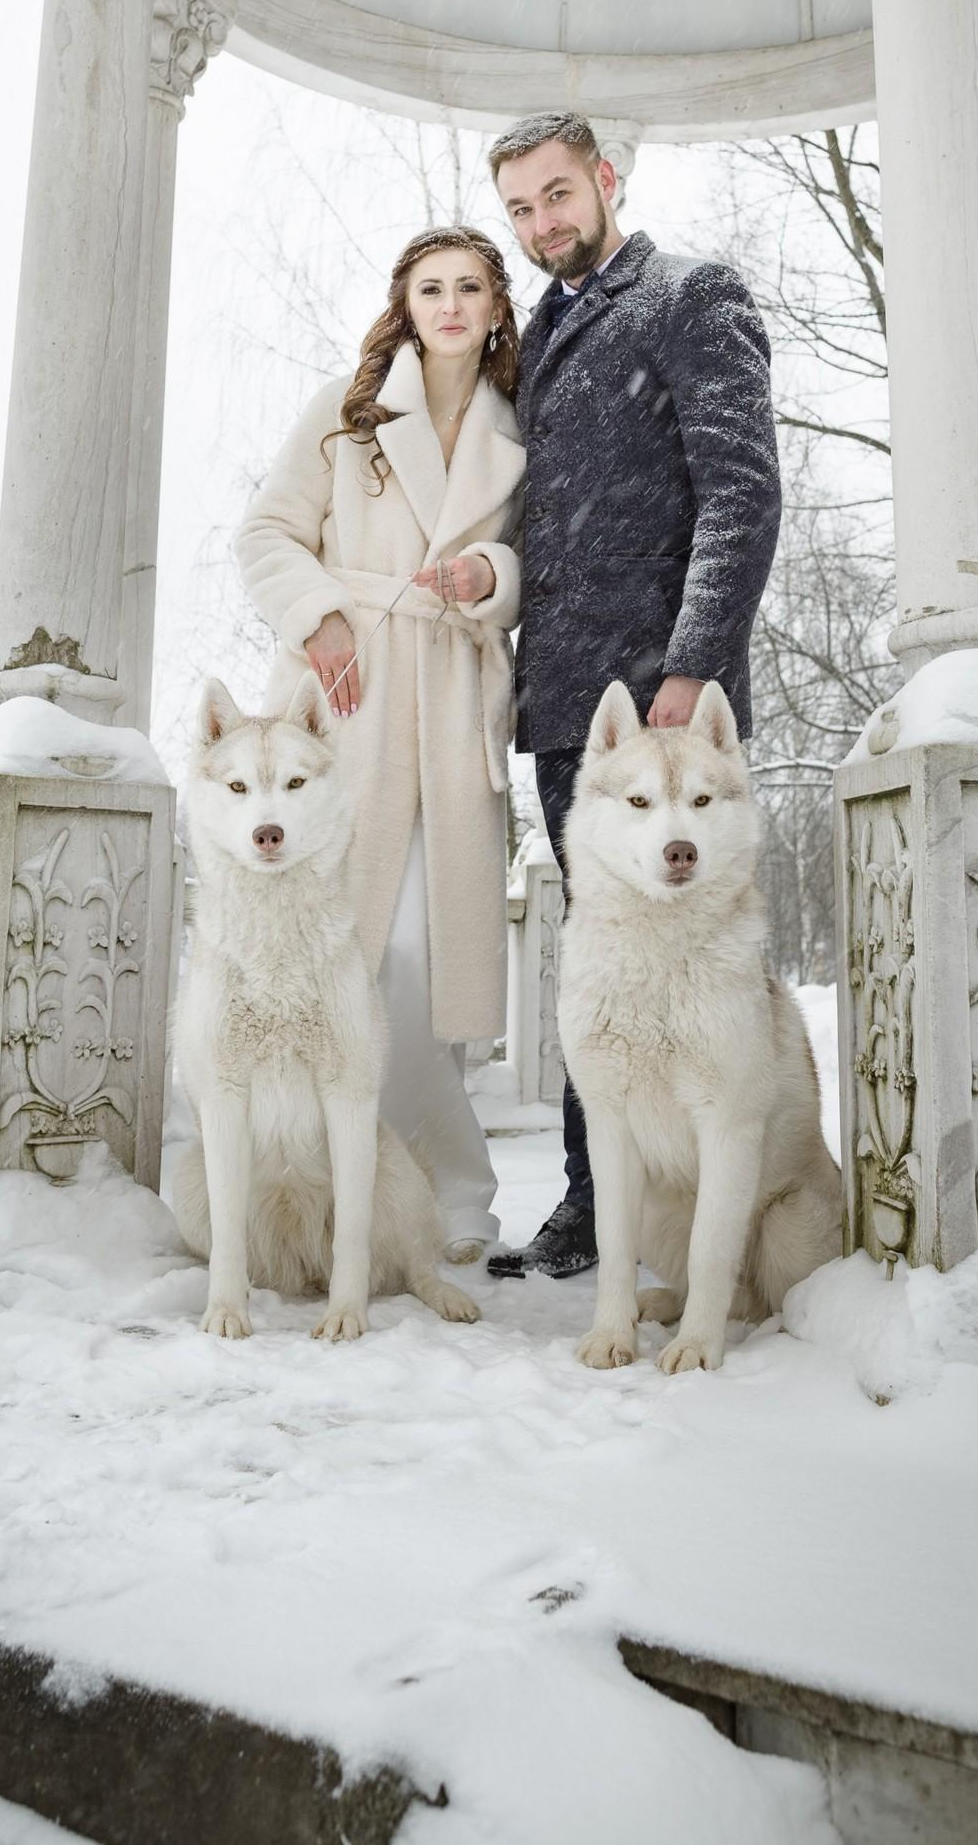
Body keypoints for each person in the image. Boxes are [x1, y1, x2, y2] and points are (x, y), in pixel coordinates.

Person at [484, 114, 782, 1280]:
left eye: (555, 194)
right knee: (596, 965)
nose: (541, 222)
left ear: (605, 179)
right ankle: (595, 1206)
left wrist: (690, 666)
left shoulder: (687, 296)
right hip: (569, 710)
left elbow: (740, 491)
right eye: (520, 207)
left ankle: (718, 1204)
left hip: (668, 715)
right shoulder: (542, 328)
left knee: (696, 965)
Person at [235, 225, 525, 1259]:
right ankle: (327, 1174)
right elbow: (265, 531)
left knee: (425, 957)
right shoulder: (349, 413)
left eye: (471, 287)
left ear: (496, 307)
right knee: (345, 951)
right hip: (345, 696)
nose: (450, 304)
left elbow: (534, 559)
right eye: (430, 288)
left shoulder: (519, 429)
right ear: (404, 306)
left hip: (450, 698)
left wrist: (489, 577)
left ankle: (452, 1189)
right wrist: (316, 614)